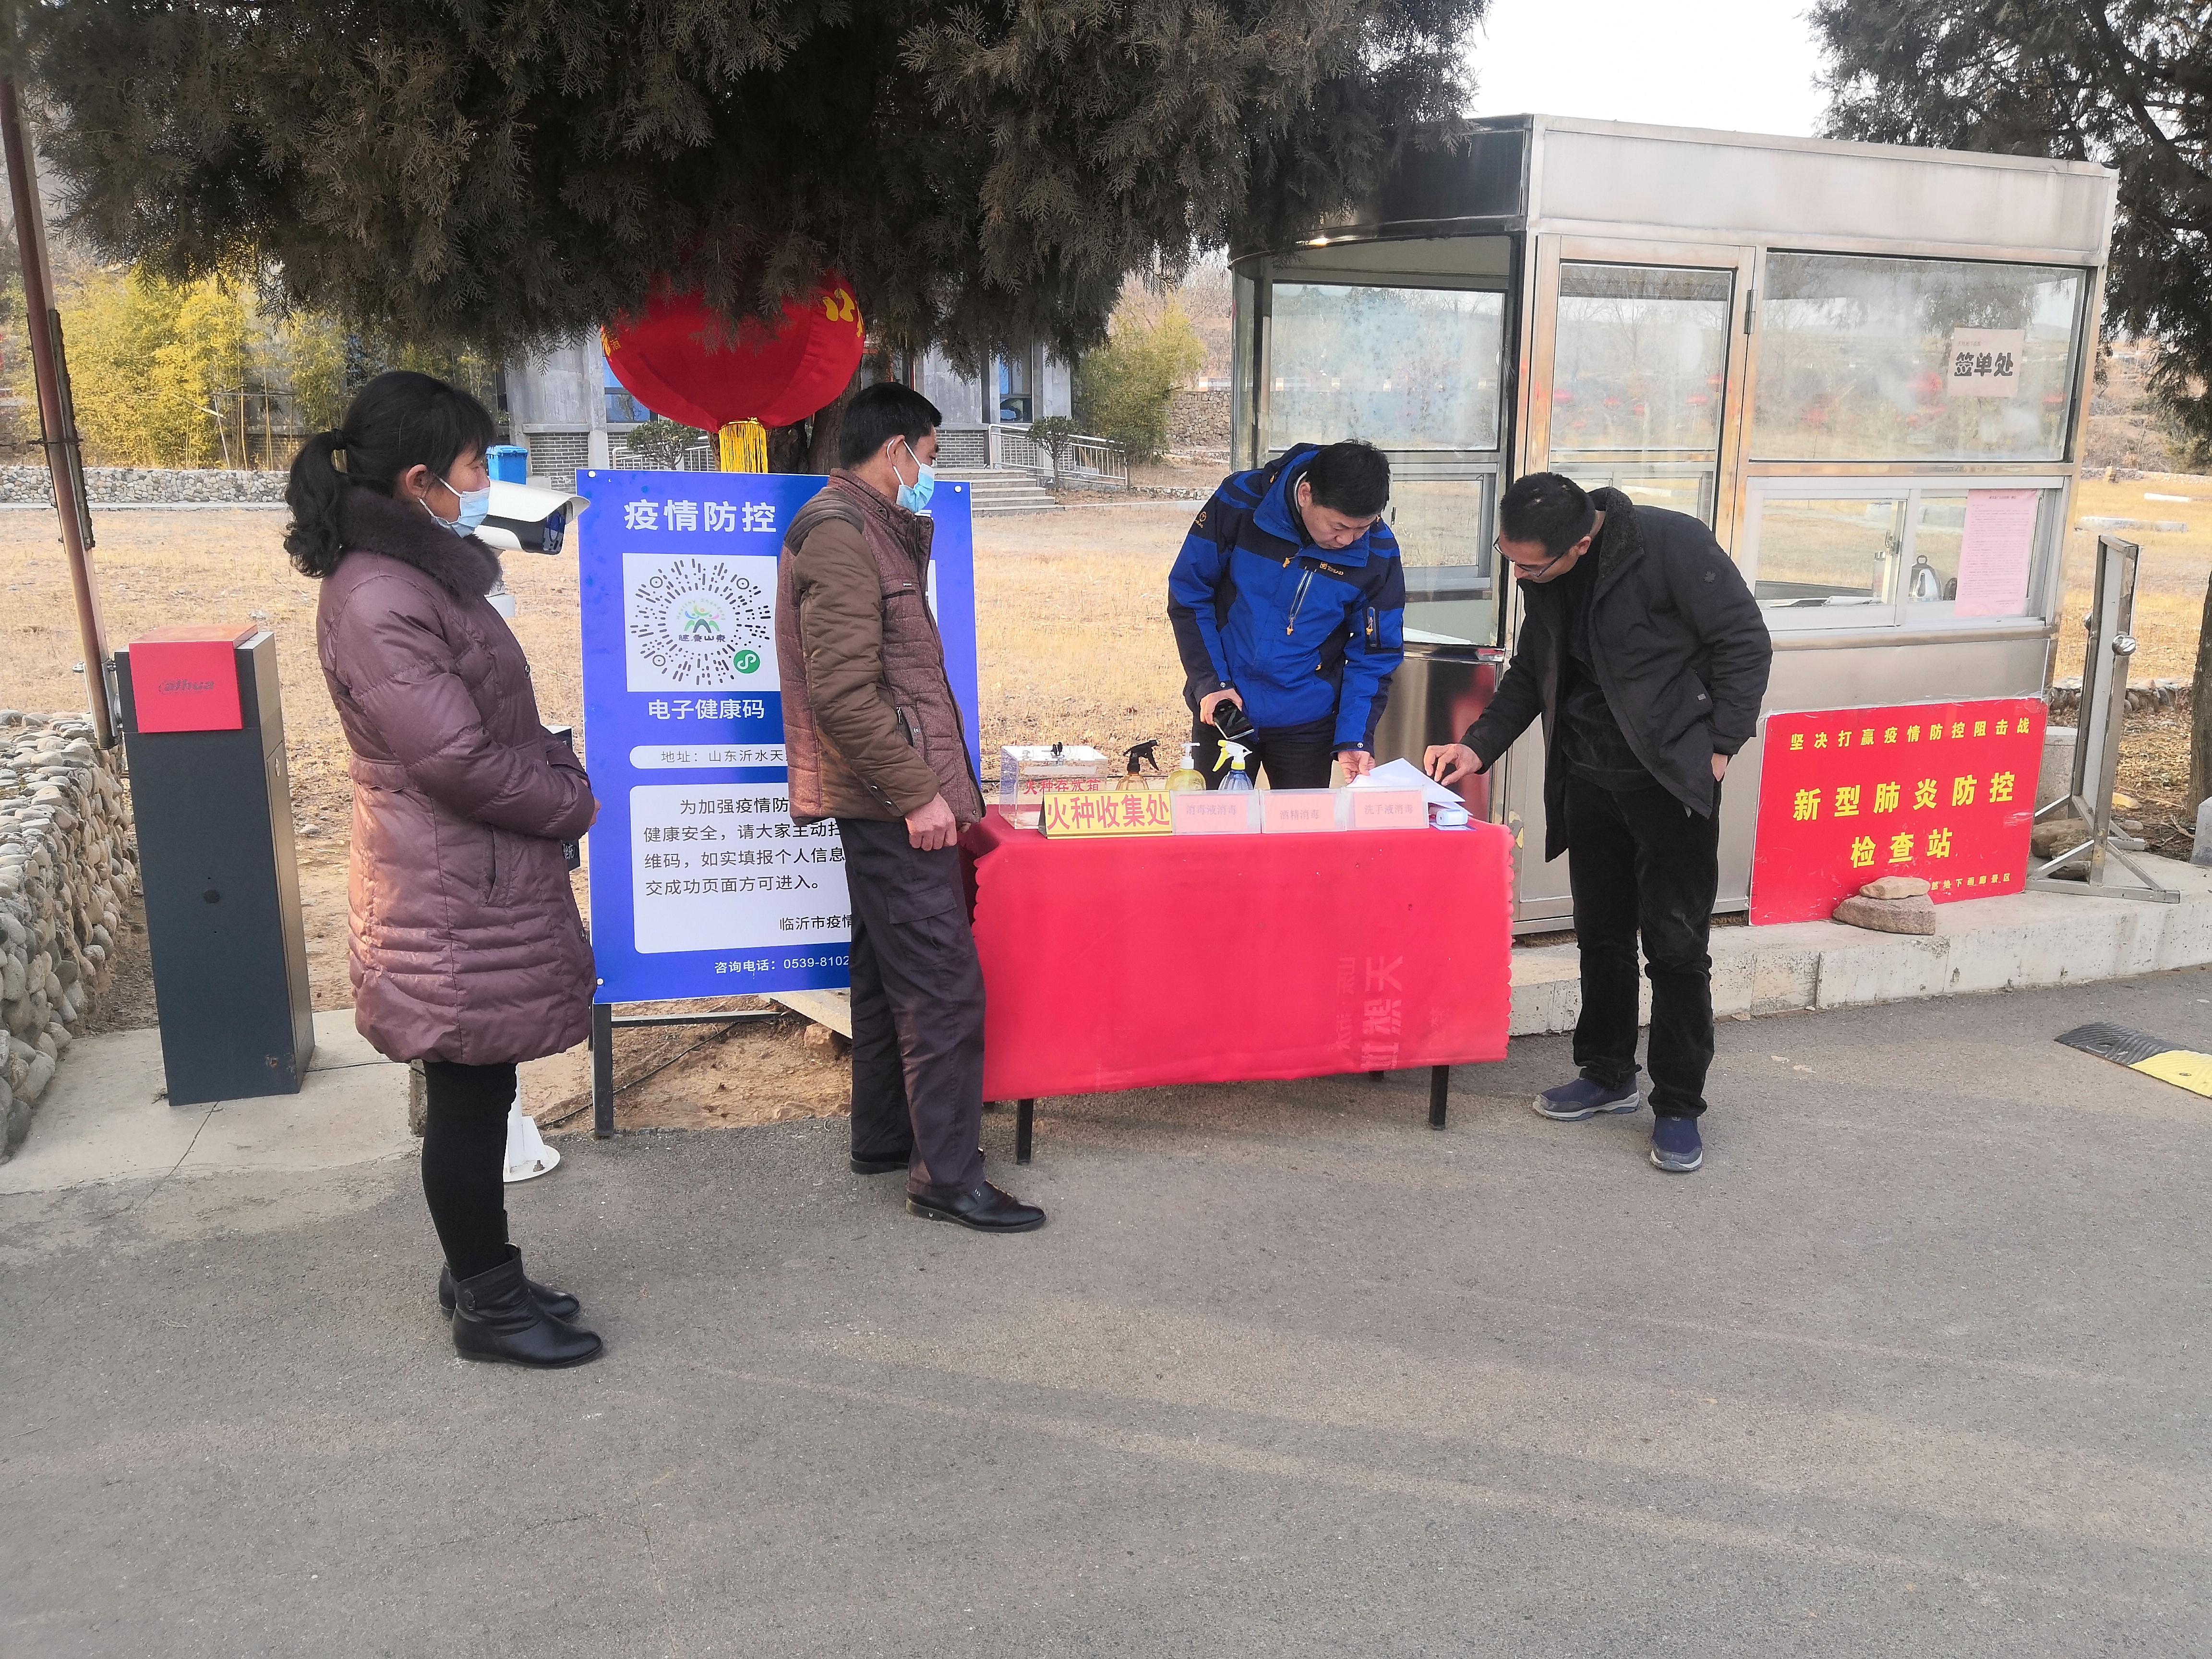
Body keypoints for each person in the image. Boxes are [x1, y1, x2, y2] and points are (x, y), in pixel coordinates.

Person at [288, 371, 602, 1365]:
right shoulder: (381, 594)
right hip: (446, 881)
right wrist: (570, 798)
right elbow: (456, 759)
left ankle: (478, 1269)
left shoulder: (419, 573)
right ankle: (489, 1307)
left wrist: (551, 766)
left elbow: (488, 723)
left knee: (482, 1085)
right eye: (473, 467)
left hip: (468, 871)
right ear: (419, 481)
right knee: (469, 1097)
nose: (484, 485)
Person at [1426, 474, 1771, 1174]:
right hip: (1586, 775)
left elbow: (1745, 642)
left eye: (1530, 567)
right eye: (1509, 559)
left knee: (1675, 949)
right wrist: (1477, 746)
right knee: (1602, 935)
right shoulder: (1548, 575)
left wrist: (1720, 746)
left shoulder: (1673, 545)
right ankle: (1608, 1073)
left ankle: (1679, 1104)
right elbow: (1532, 672)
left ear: (1581, 544)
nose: (1519, 576)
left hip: (1669, 779)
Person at [776, 382, 1044, 1233]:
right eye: (929, 456)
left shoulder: (874, 529)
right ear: (895, 450)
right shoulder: (841, 533)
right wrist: (920, 794)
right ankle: (948, 1178)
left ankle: (887, 1140)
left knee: (884, 971)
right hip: (893, 804)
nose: (931, 471)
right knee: (942, 989)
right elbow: (844, 697)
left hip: (888, 799)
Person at [1168, 440, 1405, 786]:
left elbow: (1375, 653)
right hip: (1226, 706)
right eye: (1339, 527)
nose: (1348, 541)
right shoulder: (1241, 500)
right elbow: (1190, 591)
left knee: (1300, 821)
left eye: (1363, 528)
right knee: (1216, 819)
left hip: (1307, 719)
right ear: (1306, 494)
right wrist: (1211, 682)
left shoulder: (1379, 552)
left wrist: (1355, 737)